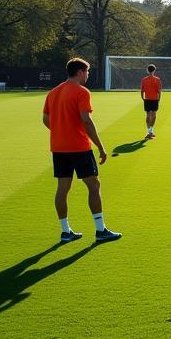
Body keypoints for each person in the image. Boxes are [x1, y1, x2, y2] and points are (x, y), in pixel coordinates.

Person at [42, 57, 122, 244]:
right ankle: (101, 230)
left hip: (59, 147)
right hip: (78, 147)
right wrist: (100, 146)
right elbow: (86, 120)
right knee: (94, 186)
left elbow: (46, 118)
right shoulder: (81, 92)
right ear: (79, 72)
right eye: (87, 72)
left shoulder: (53, 92)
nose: (87, 75)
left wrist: (61, 130)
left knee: (63, 188)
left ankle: (65, 232)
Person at [140, 64, 162, 139]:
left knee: (148, 115)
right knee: (153, 114)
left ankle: (149, 132)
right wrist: (159, 99)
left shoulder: (143, 80)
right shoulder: (157, 79)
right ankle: (151, 131)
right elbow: (159, 91)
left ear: (147, 70)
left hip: (147, 99)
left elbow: (142, 90)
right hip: (155, 99)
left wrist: (142, 98)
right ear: (154, 70)